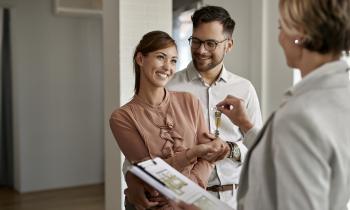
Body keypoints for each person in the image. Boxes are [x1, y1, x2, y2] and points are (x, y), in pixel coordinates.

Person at [174, 0, 350, 209]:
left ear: (301, 35)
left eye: (281, 27)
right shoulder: (340, 96)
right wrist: (246, 126)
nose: (280, 37)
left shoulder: (300, 114)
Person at [123, 5, 263, 210]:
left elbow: (257, 147)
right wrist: (131, 178)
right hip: (179, 199)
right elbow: (138, 148)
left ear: (229, 45)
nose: (201, 50)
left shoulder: (245, 89)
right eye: (196, 41)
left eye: (211, 43)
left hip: (232, 199)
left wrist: (230, 149)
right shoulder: (168, 86)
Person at [109, 31, 228, 210]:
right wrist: (194, 152)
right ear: (140, 59)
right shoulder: (122, 117)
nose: (168, 67)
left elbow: (208, 158)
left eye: (173, 60)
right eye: (161, 57)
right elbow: (150, 173)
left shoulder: (190, 101)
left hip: (188, 204)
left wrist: (186, 191)